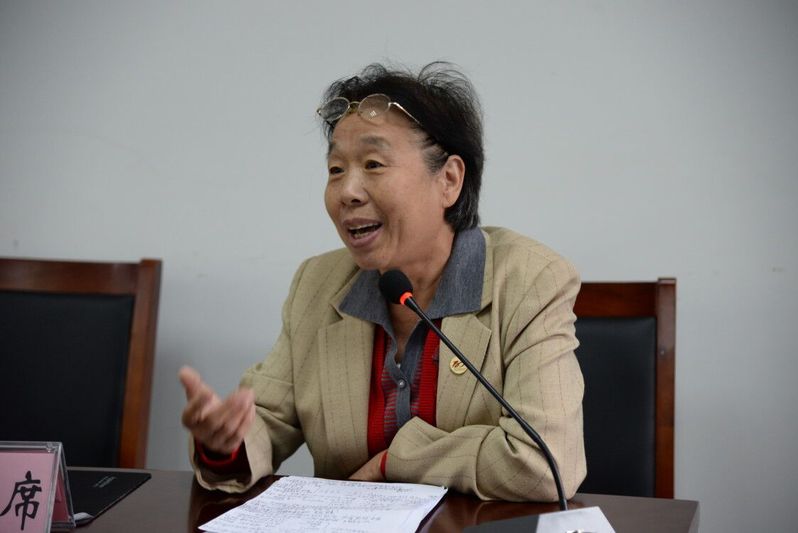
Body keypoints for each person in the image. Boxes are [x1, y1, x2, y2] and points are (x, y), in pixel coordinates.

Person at [179, 62, 586, 502]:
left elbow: (545, 463)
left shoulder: (529, 280)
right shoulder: (317, 284)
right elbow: (266, 417)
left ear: (449, 180)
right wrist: (226, 441)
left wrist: (397, 461)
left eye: (373, 164)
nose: (347, 192)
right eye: (336, 169)